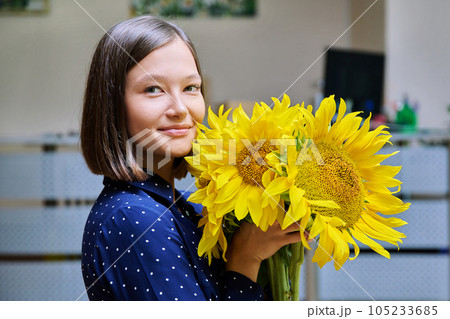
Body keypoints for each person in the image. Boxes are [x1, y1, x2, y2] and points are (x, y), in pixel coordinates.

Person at [80, 15, 302, 301]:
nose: (180, 109)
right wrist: (246, 259)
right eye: (153, 89)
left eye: (190, 88)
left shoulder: (184, 206)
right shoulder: (134, 219)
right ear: (112, 105)